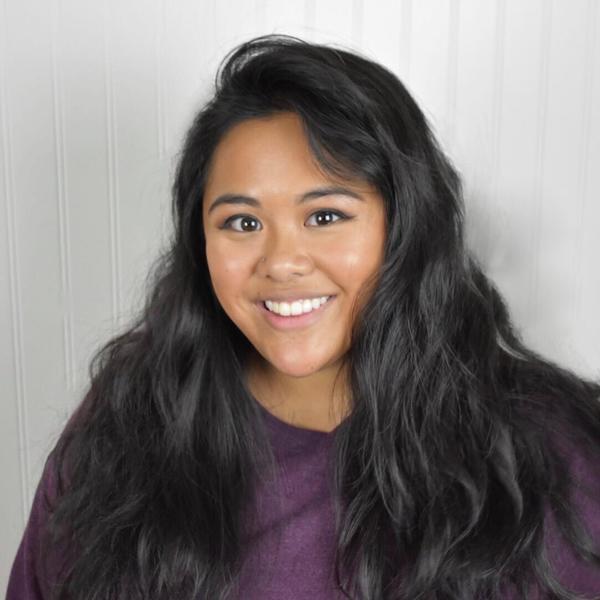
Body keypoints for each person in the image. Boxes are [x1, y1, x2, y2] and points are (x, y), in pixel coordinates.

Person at [6, 34, 600, 600]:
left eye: (325, 216)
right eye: (242, 222)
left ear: (405, 226)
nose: (282, 262)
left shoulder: (553, 450)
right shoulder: (128, 426)